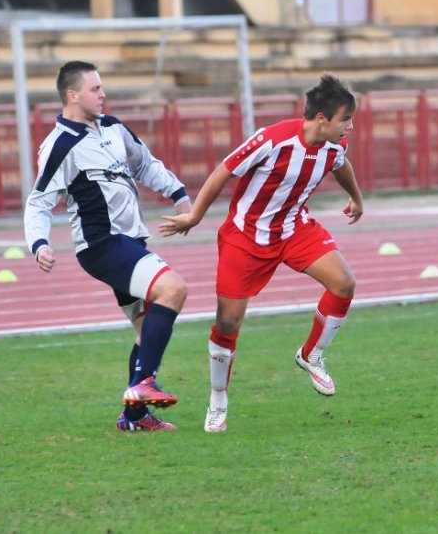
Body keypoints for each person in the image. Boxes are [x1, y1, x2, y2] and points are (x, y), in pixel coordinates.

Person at [159, 73, 364, 433]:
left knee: (344, 284)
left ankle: (311, 354)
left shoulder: (334, 146)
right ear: (322, 119)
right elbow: (225, 170)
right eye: (346, 119)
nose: (351, 126)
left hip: (295, 229)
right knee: (227, 324)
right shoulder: (272, 139)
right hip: (246, 238)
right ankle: (218, 399)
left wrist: (356, 198)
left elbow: (340, 165)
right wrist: (195, 215)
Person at [24, 60, 190, 432]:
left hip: (129, 242)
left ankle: (134, 417)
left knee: (144, 329)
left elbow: (145, 164)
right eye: (95, 89)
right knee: (174, 288)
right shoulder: (60, 145)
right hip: (101, 245)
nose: (103, 94)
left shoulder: (114, 128)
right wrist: (39, 243)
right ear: (73, 95)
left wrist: (179, 194)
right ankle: (143, 384)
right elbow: (38, 201)